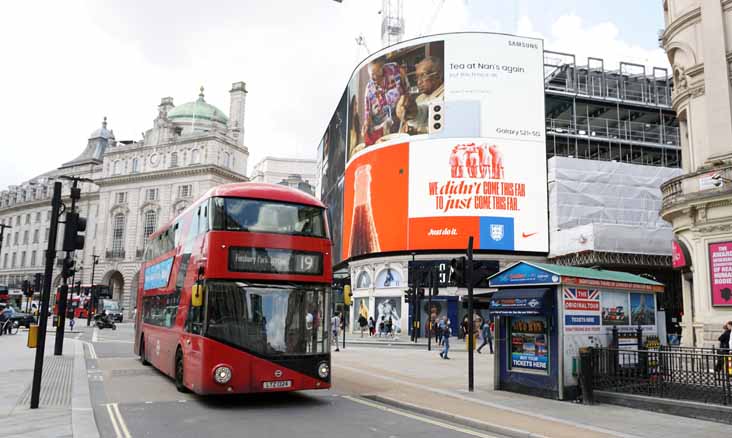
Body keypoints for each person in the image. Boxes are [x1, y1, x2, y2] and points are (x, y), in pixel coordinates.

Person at [361, 58, 405, 146]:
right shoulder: (370, 87)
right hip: (384, 122)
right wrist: (366, 122)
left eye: (377, 74)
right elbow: (367, 109)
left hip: (400, 113)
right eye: (372, 75)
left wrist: (405, 118)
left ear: (383, 68)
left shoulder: (394, 70)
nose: (374, 78)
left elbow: (405, 91)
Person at [396, 56, 445, 135]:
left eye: (423, 75)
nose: (419, 82)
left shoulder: (449, 95)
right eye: (417, 77)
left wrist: (416, 127)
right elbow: (412, 121)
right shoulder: (420, 98)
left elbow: (438, 125)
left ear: (438, 75)